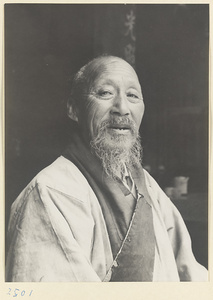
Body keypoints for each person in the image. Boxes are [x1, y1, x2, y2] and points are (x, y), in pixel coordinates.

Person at [6, 55, 208, 282]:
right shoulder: (49, 193)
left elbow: (190, 272)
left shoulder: (145, 184)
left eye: (132, 95)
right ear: (74, 109)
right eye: (105, 93)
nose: (122, 108)